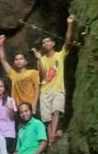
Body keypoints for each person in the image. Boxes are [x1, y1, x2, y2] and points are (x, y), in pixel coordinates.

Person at [32, 15, 75, 145]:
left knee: (56, 111)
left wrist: (70, 24)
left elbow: (68, 41)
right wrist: (39, 59)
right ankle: (52, 137)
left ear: (53, 43)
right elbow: (43, 75)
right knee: (47, 118)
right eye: (44, 43)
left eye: (48, 41)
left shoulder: (60, 55)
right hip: (45, 91)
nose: (46, 44)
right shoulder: (42, 59)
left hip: (58, 89)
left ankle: (51, 138)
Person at [0, 34, 40, 113]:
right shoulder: (14, 75)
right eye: (16, 59)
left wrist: (34, 104)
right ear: (14, 62)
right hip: (18, 109)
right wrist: (1, 45)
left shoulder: (33, 73)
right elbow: (3, 61)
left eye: (21, 59)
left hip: (30, 107)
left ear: (25, 62)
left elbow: (37, 89)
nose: (18, 61)